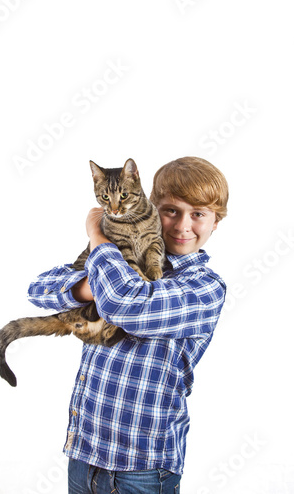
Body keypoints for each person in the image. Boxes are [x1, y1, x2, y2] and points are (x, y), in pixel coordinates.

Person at [28, 156, 229, 494]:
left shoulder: (205, 287)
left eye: (198, 214)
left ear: (215, 222)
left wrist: (97, 235)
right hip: (85, 453)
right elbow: (38, 290)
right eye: (171, 211)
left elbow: (125, 305)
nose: (182, 226)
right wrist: (86, 288)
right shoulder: (121, 260)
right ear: (151, 207)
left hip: (142, 466)